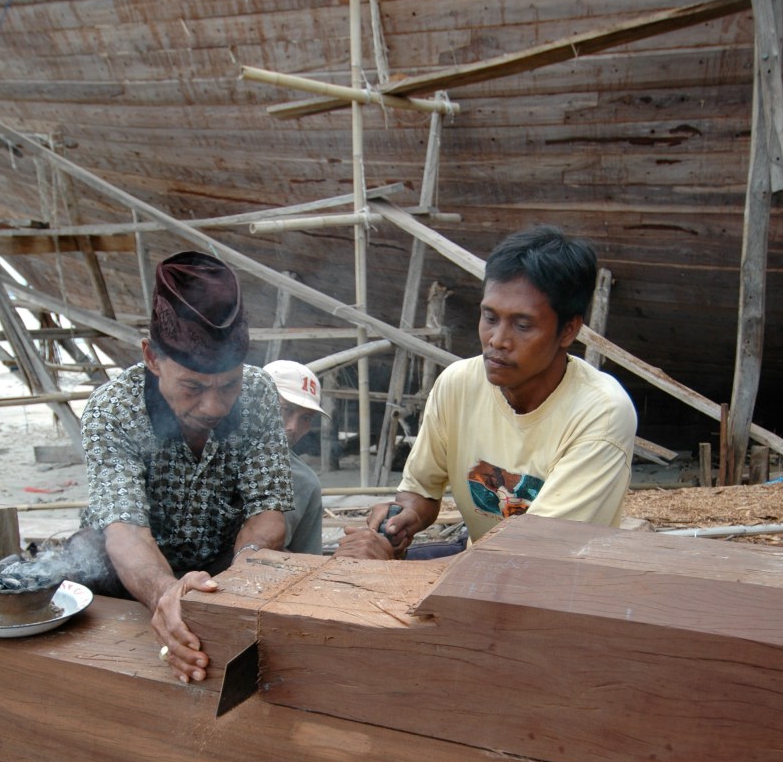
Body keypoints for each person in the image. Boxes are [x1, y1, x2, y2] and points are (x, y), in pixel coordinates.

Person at [337, 224, 637, 560]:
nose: (497, 340)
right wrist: (402, 520)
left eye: (522, 325)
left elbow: (531, 559)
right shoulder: (458, 384)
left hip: (556, 578)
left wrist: (387, 568)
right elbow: (420, 492)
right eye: (489, 317)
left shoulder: (601, 413)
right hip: (475, 564)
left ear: (568, 330)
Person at [73, 250, 293, 684]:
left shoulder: (259, 393)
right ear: (152, 358)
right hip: (127, 576)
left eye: (228, 385)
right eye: (192, 386)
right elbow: (126, 530)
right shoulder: (112, 409)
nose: (214, 406)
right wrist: (165, 592)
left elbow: (267, 509)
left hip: (220, 572)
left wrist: (244, 573)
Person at [263, 359, 326, 554]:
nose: (293, 427)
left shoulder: (305, 483)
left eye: (306, 418)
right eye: (286, 410)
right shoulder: (210, 456)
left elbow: (307, 562)